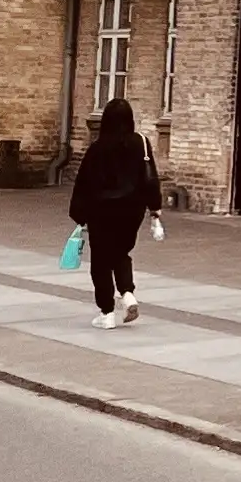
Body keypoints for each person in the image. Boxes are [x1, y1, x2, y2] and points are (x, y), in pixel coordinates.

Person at [69, 96, 161, 326]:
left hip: (102, 211)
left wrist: (80, 216)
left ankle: (107, 313)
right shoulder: (141, 143)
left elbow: (84, 183)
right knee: (121, 252)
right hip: (132, 210)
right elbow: (151, 179)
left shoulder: (98, 149)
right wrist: (155, 209)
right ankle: (128, 294)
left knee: (101, 261)